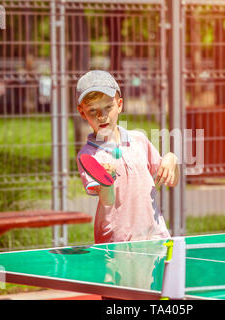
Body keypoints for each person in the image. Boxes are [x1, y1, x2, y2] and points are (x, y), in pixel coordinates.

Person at [76, 70, 179, 244]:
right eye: (93, 110)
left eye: (108, 107)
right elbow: (107, 200)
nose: (102, 116)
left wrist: (171, 159)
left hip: (156, 237)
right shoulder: (88, 156)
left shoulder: (139, 139)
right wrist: (106, 181)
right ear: (82, 113)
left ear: (119, 105)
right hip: (118, 242)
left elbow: (172, 181)